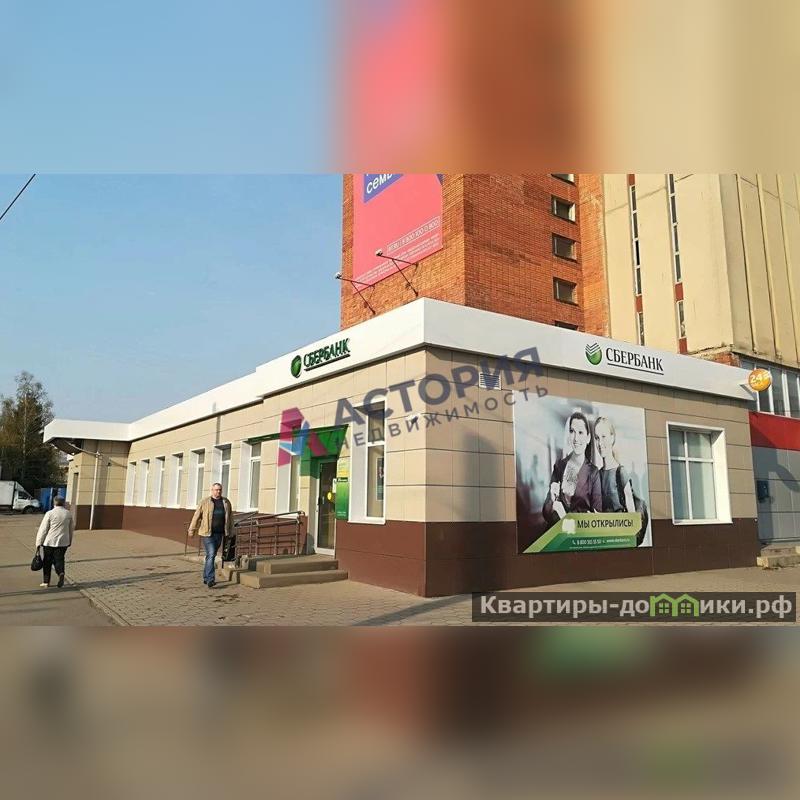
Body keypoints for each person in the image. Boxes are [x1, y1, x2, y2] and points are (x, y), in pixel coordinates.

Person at [542, 411, 602, 524]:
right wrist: (552, 502)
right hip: (558, 532)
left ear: (588, 438)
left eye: (580, 432)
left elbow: (596, 514)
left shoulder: (593, 472)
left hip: (580, 532)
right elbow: (546, 512)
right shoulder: (559, 466)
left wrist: (562, 513)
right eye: (572, 431)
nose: (575, 438)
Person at [188, 482, 233, 588]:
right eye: (216, 490)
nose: (218, 491)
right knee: (212, 554)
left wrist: (231, 531)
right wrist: (192, 529)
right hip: (207, 533)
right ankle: (210, 579)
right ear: (212, 490)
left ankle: (205, 577)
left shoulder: (226, 502)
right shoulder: (205, 502)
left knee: (210, 555)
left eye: (220, 490)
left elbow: (230, 517)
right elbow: (196, 516)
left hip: (219, 533)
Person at [593, 416, 636, 514]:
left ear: (612, 438)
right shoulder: (597, 475)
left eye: (603, 437)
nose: (600, 443)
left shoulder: (620, 472)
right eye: (597, 438)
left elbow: (632, 514)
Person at [34, 494, 73, 588]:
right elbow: (71, 529)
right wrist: (69, 541)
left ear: (54, 503)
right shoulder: (68, 514)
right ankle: (61, 573)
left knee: (47, 561)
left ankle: (46, 582)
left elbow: (43, 529)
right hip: (63, 542)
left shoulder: (50, 513)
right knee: (60, 560)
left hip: (49, 542)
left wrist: (38, 542)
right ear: (63, 503)